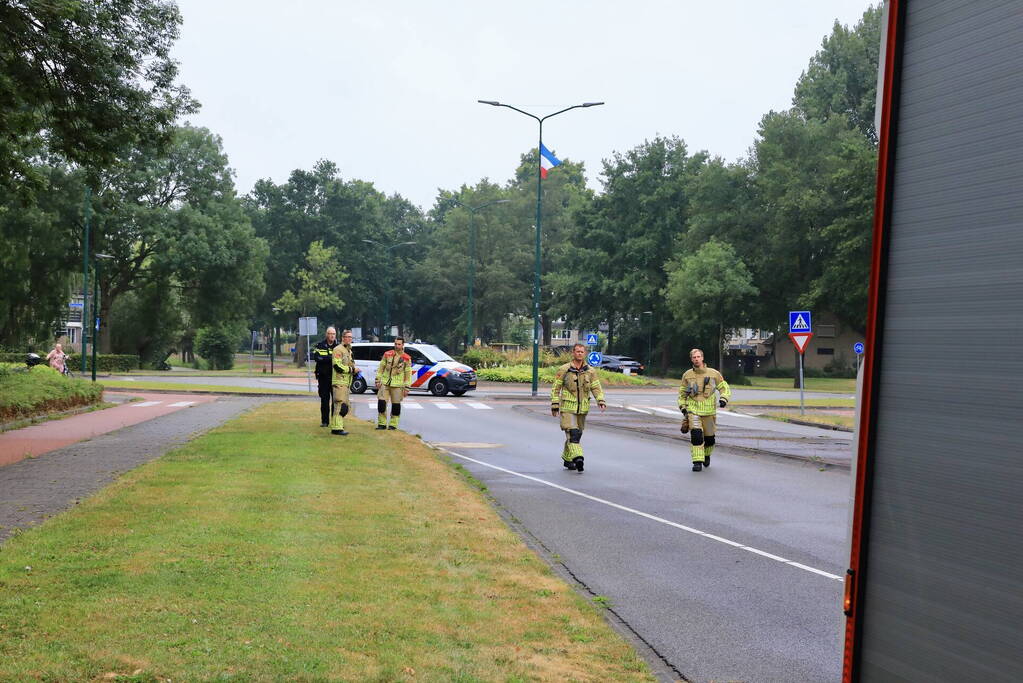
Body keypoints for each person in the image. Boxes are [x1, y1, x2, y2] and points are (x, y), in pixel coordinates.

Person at [550, 343, 606, 472]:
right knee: (572, 433)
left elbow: (596, 387)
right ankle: (578, 458)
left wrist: (600, 400)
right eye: (577, 351)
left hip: (583, 409)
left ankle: (567, 459)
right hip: (567, 407)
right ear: (573, 353)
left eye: (582, 352)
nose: (579, 353)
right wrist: (555, 405)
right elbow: (556, 388)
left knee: (576, 435)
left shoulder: (591, 371)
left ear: (585, 353)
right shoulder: (564, 369)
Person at [678, 348, 731, 472]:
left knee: (710, 439)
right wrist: (683, 408)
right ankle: (697, 462)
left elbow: (724, 387)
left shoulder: (714, 373)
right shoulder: (687, 375)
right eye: (694, 357)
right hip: (693, 411)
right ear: (691, 359)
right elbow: (682, 394)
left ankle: (706, 455)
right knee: (696, 436)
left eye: (698, 357)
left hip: (709, 412)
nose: (696, 359)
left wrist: (724, 399)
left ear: (702, 358)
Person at [375, 336, 412, 430]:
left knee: (396, 406)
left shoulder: (406, 358)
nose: (397, 346)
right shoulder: (387, 354)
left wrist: (407, 387)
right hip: (385, 383)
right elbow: (381, 368)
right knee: (381, 404)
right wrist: (378, 380)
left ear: (403, 345)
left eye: (399, 344)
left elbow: (408, 374)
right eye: (395, 344)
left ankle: (393, 424)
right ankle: (381, 424)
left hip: (398, 385)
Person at [329, 329, 356, 436]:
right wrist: (351, 370)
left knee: (345, 407)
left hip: (346, 382)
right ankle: (336, 428)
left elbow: (350, 364)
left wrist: (354, 370)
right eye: (347, 337)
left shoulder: (349, 350)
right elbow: (337, 366)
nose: (349, 339)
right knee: (339, 405)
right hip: (339, 381)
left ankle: (338, 426)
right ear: (343, 338)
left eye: (351, 337)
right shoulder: (338, 350)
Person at [313, 327, 340, 427]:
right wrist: (330, 358)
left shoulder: (338, 347)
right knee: (324, 400)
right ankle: (325, 421)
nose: (332, 336)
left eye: (334, 334)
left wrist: (325, 359)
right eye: (330, 333)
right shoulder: (320, 345)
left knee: (335, 400)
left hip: (335, 377)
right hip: (323, 378)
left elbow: (340, 360)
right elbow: (317, 358)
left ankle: (335, 420)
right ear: (326, 334)